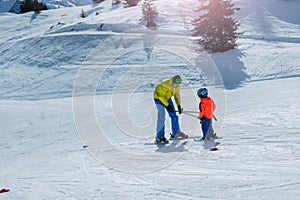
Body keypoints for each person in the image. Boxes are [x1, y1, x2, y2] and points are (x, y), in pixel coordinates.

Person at [153, 75, 187, 144]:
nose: (177, 85)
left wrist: (178, 105)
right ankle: (159, 137)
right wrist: (168, 106)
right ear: (173, 82)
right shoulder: (165, 84)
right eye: (176, 84)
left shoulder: (177, 85)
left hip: (167, 98)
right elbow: (161, 97)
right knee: (161, 117)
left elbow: (177, 95)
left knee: (173, 115)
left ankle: (176, 133)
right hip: (158, 98)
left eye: (179, 84)